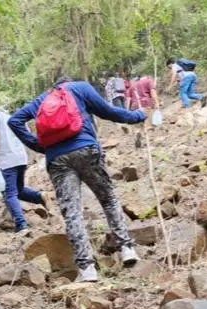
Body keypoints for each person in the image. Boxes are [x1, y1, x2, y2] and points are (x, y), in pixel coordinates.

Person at [8, 77, 146, 282]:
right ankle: (126, 249)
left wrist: (40, 146)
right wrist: (138, 116)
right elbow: (110, 112)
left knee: (72, 213)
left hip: (57, 161)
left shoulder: (41, 100)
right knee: (107, 199)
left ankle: (87, 269)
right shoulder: (80, 88)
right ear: (68, 82)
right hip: (86, 149)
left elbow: (14, 121)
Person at [0, 104, 47, 232]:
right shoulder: (11, 117)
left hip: (7, 159)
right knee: (19, 189)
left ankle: (21, 225)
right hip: (20, 157)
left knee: (9, 193)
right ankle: (40, 196)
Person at [126, 75, 160, 147]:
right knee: (147, 125)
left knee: (138, 125)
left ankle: (138, 133)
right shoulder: (148, 81)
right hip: (146, 105)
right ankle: (147, 142)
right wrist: (156, 103)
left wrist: (127, 110)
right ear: (147, 77)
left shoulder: (132, 86)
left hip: (134, 107)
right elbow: (153, 92)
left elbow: (128, 99)